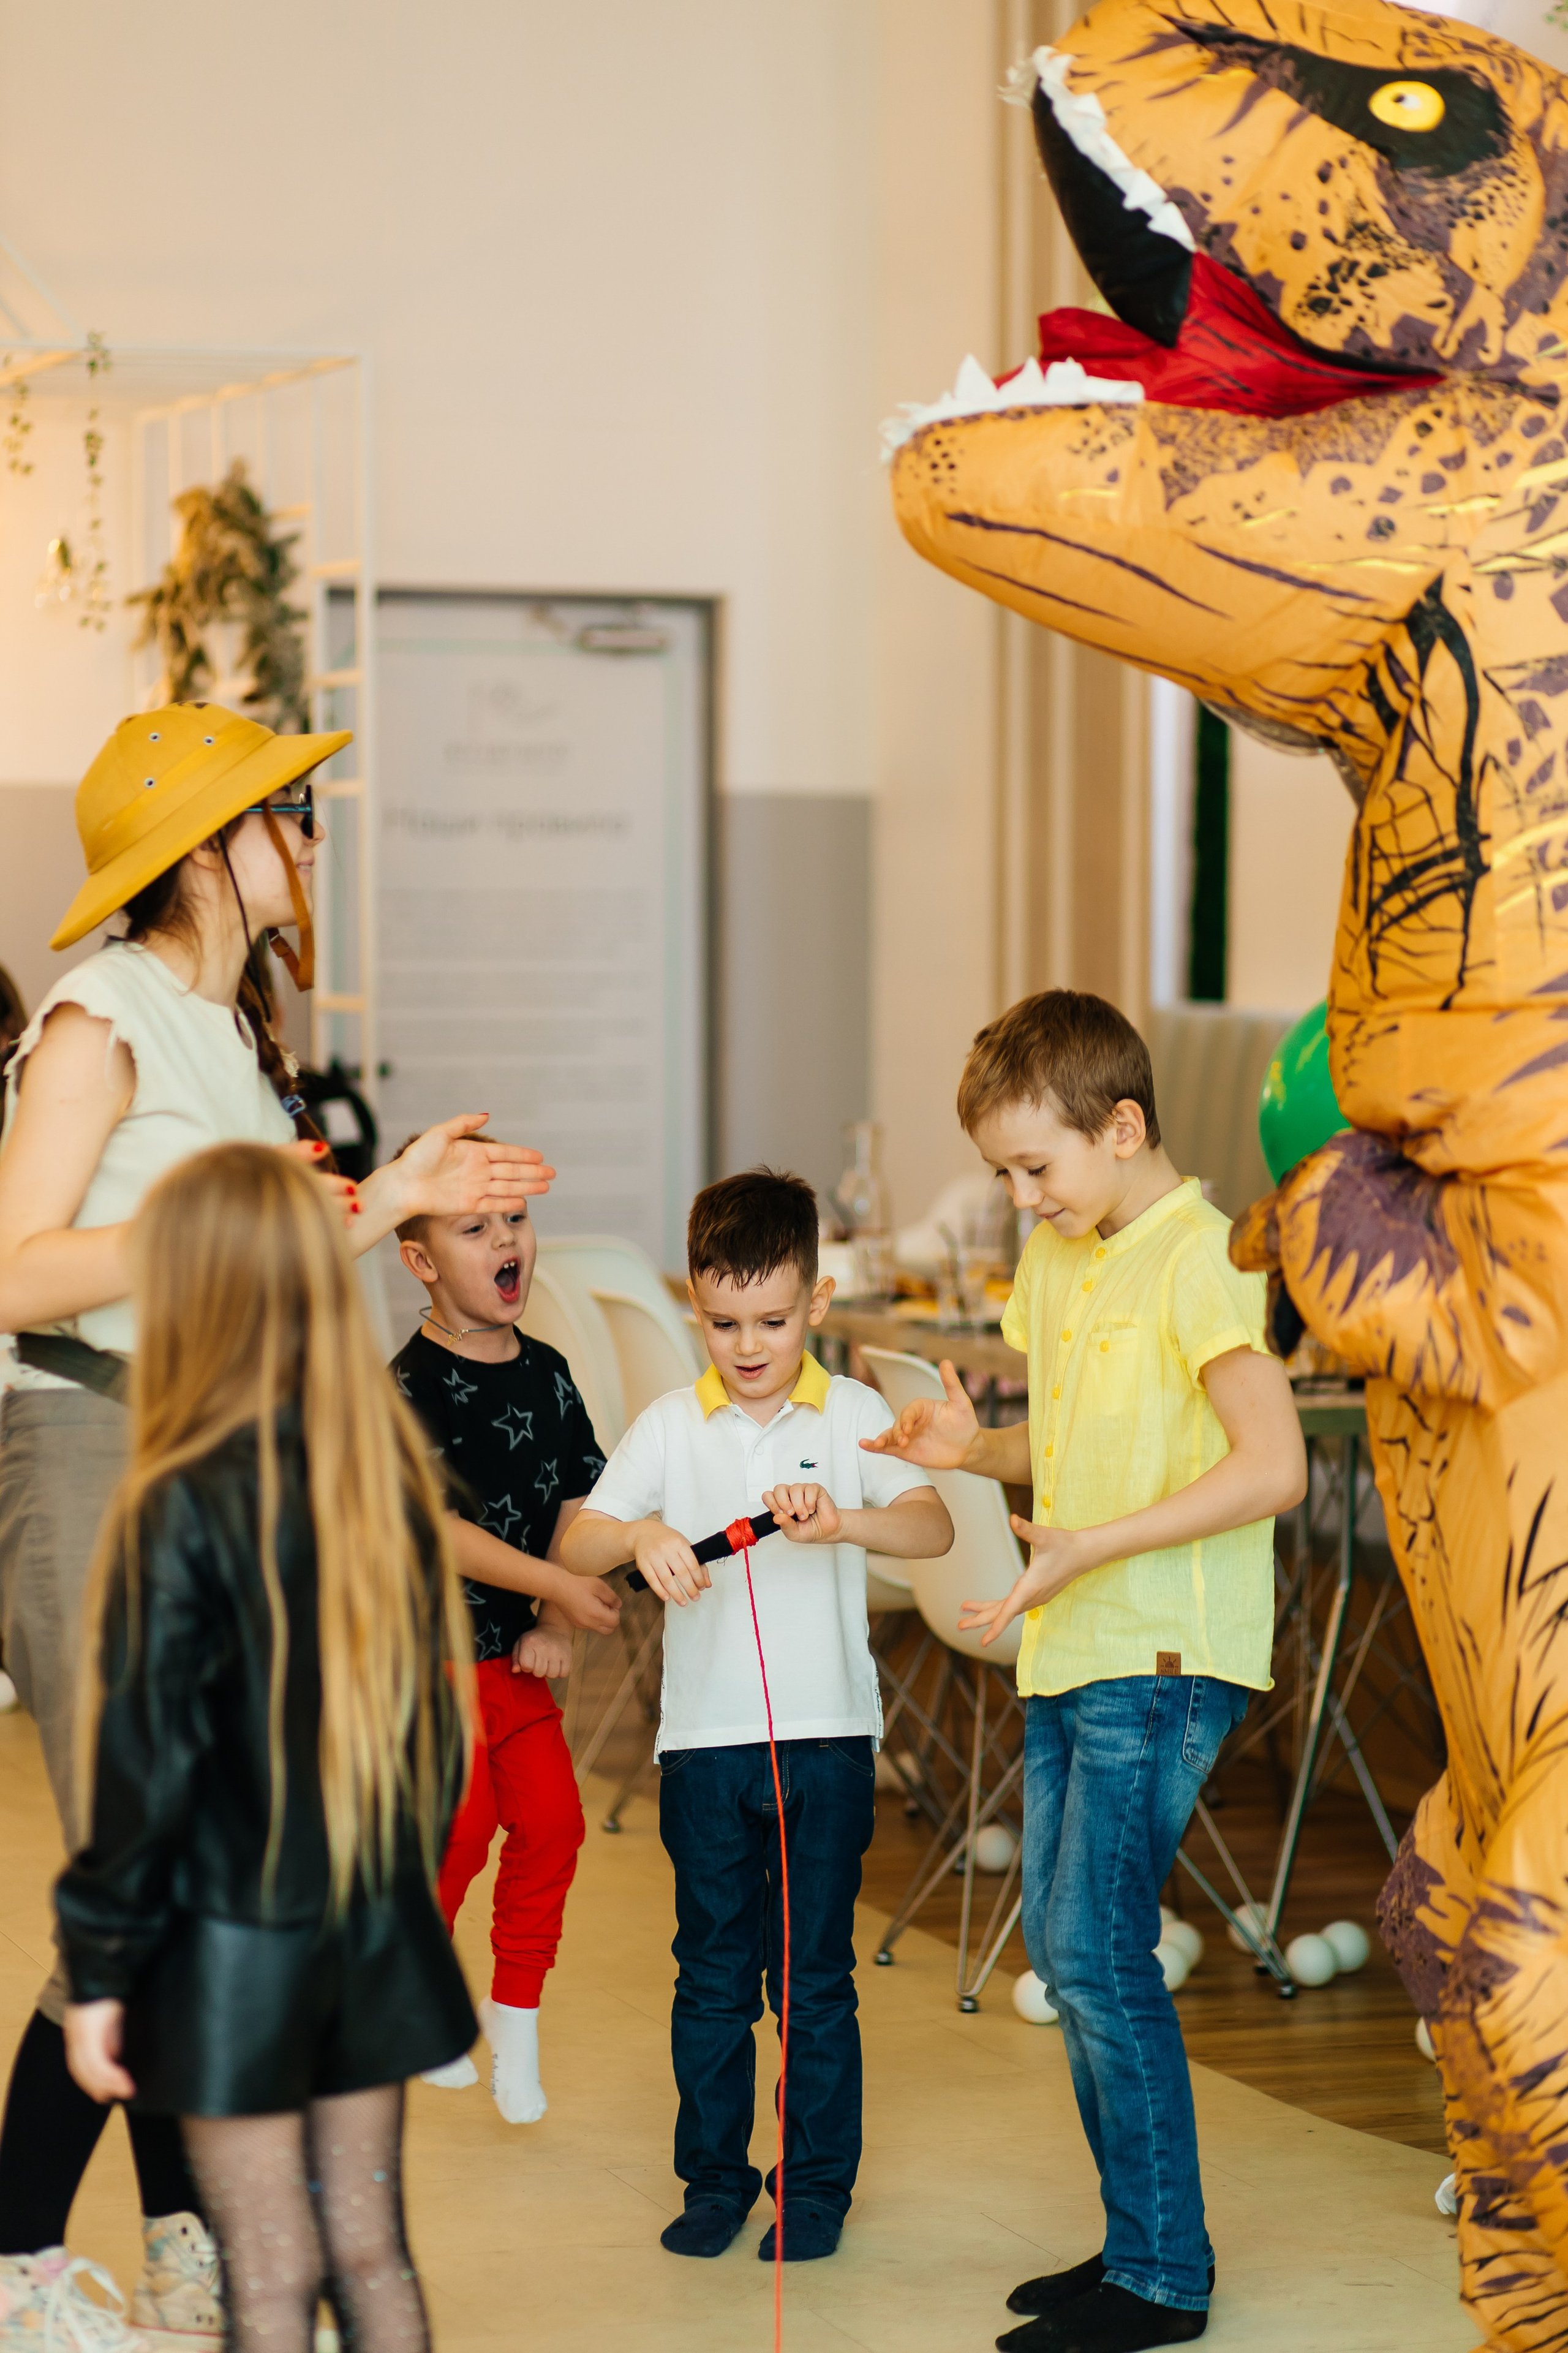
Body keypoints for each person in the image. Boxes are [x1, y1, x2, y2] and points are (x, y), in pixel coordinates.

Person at [0, 704, 552, 2349]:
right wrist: (219, 1218)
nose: (312, 841)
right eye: (288, 817)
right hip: (90, 1443)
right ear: (209, 846)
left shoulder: (223, 1036)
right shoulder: (100, 1016)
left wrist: (390, 1209)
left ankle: (185, 2242)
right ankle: (18, 2263)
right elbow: (21, 1268)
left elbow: (252, 1269)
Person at [863, 991, 1306, 2353]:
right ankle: (1135, 2239)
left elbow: (1271, 1469)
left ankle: (1164, 2275)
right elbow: (1064, 1453)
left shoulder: (1201, 1257)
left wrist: (1092, 1543)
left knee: (1098, 1952)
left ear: (1120, 1127)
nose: (1016, 1195)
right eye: (1000, 1170)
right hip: (1068, 1636)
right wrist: (969, 1450)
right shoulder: (1061, 1257)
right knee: (1067, 1946)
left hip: (1162, 1647)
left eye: (1033, 1167)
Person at [56, 1142, 475, 2353]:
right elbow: (432, 1736)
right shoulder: (381, 1475)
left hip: (233, 1949)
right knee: (368, 2248)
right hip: (374, 1922)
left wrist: (100, 1970)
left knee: (271, 2266)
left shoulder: (173, 1497)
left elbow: (141, 1771)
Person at [562, 1168, 954, 2264]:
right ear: (696, 1305)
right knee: (713, 1979)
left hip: (826, 1744)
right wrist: (637, 1538)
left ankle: (816, 2190)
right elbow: (576, 1545)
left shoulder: (856, 1412)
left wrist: (845, 1521)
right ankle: (715, 2182)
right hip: (701, 1750)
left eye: (774, 1321)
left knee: (814, 1981)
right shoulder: (665, 1427)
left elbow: (929, 1528)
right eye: (725, 1321)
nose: (748, 1345)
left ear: (816, 1304)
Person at [388, 1147, 621, 2123]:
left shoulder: (552, 1372)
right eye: (476, 1228)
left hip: (513, 1663)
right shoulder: (408, 1383)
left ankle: (512, 2011)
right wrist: (553, 1587)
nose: (506, 1241)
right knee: (459, 1824)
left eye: (516, 1221)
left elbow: (580, 1498)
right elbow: (438, 1531)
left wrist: (560, 1613)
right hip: (427, 1655)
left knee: (556, 1825)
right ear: (422, 1262)